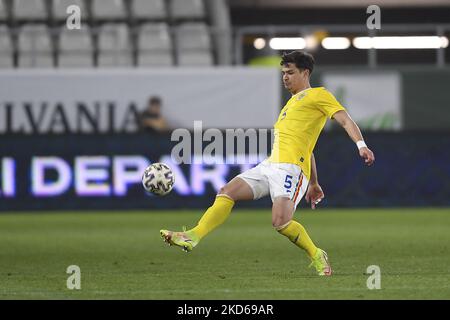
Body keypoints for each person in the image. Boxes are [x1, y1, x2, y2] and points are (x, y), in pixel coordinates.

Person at [160, 51, 375, 276]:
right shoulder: (291, 104)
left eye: (290, 72)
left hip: (291, 169)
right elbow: (307, 147)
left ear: (305, 72)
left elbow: (345, 120)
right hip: (270, 165)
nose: (285, 77)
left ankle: (317, 254)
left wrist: (361, 145)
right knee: (227, 191)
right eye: (283, 73)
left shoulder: (318, 95)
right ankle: (192, 236)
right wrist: (314, 183)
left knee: (280, 223)